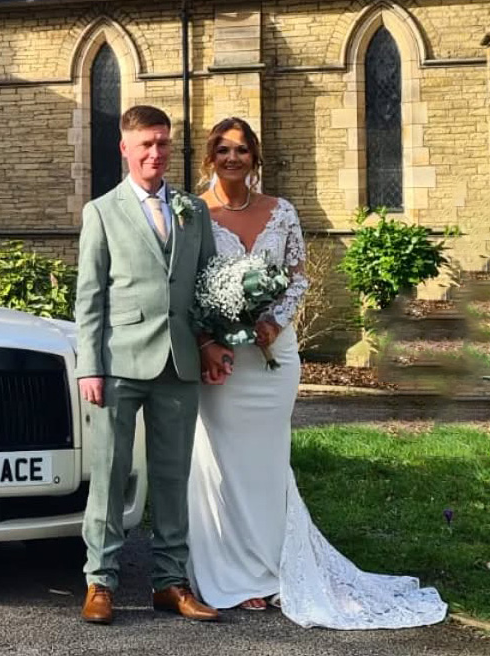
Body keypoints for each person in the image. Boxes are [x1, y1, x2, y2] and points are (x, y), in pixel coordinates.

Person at [186, 117, 448, 629]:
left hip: (272, 358)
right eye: (223, 149)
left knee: (267, 464)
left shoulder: (281, 212)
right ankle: (229, 573)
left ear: (255, 157)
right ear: (210, 158)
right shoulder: (195, 215)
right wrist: (210, 339)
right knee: (221, 465)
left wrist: (271, 324)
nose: (233, 157)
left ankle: (268, 570)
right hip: (221, 361)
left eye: (242, 149)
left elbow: (297, 279)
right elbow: (188, 285)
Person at [74, 105, 233, 625]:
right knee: (111, 474)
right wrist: (89, 367)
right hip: (118, 364)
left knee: (172, 478)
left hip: (178, 362)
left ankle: (170, 582)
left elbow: (209, 286)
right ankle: (100, 582)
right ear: (125, 148)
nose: (155, 153)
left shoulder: (193, 210)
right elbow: (90, 299)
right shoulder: (101, 211)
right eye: (145, 144)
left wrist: (210, 342)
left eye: (162, 143)